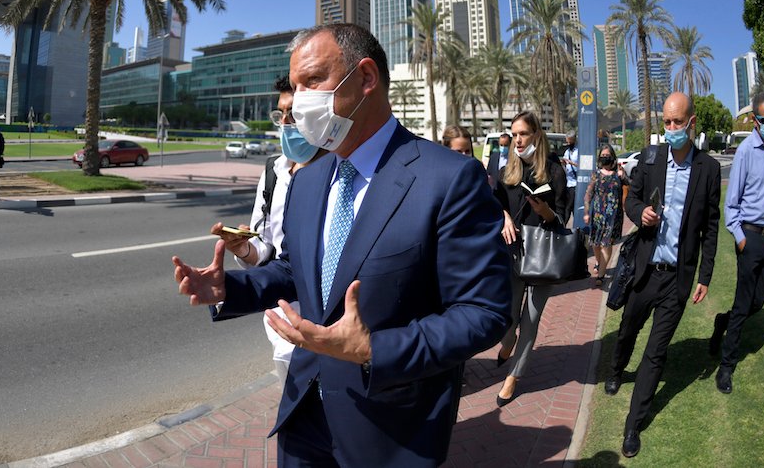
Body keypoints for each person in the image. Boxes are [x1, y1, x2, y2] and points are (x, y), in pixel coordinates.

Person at [173, 23, 513, 468]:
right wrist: (230, 289)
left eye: (312, 80)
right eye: (294, 87)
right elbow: (298, 272)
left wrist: (375, 350)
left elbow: (483, 313)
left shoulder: (448, 179)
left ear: (366, 78)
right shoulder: (308, 179)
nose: (296, 102)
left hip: (389, 428)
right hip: (303, 415)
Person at [604, 92, 721, 458]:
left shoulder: (709, 169)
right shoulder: (652, 158)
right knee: (628, 329)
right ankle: (616, 369)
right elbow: (630, 199)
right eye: (666, 122)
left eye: (677, 122)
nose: (671, 129)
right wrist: (641, 214)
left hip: (678, 278)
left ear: (692, 123)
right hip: (645, 268)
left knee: (656, 353)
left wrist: (705, 274)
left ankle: (632, 425)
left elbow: (712, 226)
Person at [214, 75, 328, 385]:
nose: (287, 123)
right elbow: (269, 250)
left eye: (295, 113)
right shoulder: (273, 171)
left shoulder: (340, 172)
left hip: (330, 325)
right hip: (281, 320)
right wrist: (243, 249)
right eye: (281, 114)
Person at [493, 111, 569, 407]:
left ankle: (513, 376)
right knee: (508, 317)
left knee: (531, 319)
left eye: (523, 134)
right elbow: (494, 205)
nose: (518, 140)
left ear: (537, 135)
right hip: (513, 254)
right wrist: (503, 217)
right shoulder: (506, 173)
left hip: (544, 256)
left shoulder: (555, 171)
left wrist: (546, 213)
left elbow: (562, 218)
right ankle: (508, 341)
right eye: (514, 134)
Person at [710, 92, 764, 394]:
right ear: (755, 120)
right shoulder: (745, 152)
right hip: (750, 237)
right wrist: (740, 238)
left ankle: (722, 321)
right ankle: (726, 367)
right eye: (763, 120)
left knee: (758, 301)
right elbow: (732, 203)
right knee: (744, 304)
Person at [583, 144, 628, 286]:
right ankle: (598, 261)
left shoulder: (618, 174)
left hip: (613, 215)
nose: (605, 158)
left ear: (613, 157)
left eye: (607, 155)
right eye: (602, 156)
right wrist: (586, 213)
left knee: (607, 244)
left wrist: (624, 176)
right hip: (597, 215)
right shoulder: (596, 174)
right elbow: (588, 194)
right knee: (596, 244)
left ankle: (601, 275)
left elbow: (632, 186)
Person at [562, 132, 579, 224]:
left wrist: (572, 163)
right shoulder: (567, 152)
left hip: (576, 184)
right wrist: (564, 163)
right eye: (567, 142)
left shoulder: (579, 151)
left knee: (568, 207)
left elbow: (583, 165)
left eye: (569, 142)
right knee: (570, 207)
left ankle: (564, 225)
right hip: (568, 183)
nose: (568, 144)